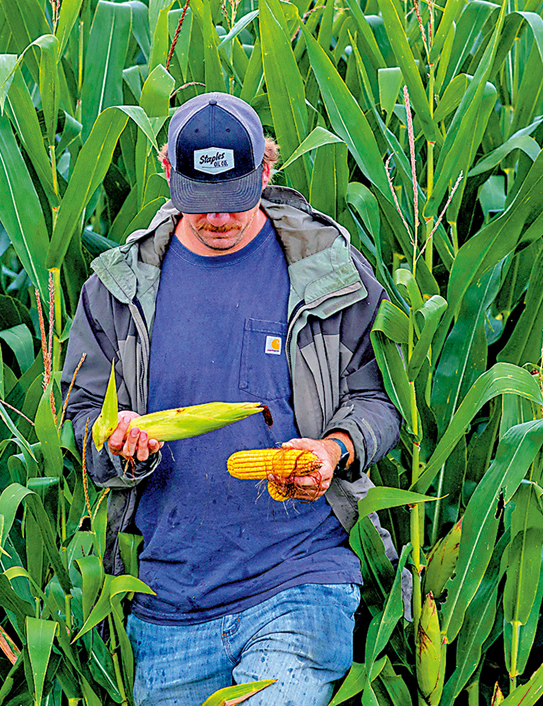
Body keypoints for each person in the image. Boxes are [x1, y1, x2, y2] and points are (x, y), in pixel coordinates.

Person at [60, 93, 401, 706]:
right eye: (200, 207)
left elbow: (379, 399)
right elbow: (80, 418)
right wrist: (119, 442)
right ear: (167, 171)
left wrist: (333, 449)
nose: (218, 220)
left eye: (234, 204)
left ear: (266, 171)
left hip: (298, 578)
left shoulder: (327, 268)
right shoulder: (117, 288)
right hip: (170, 604)